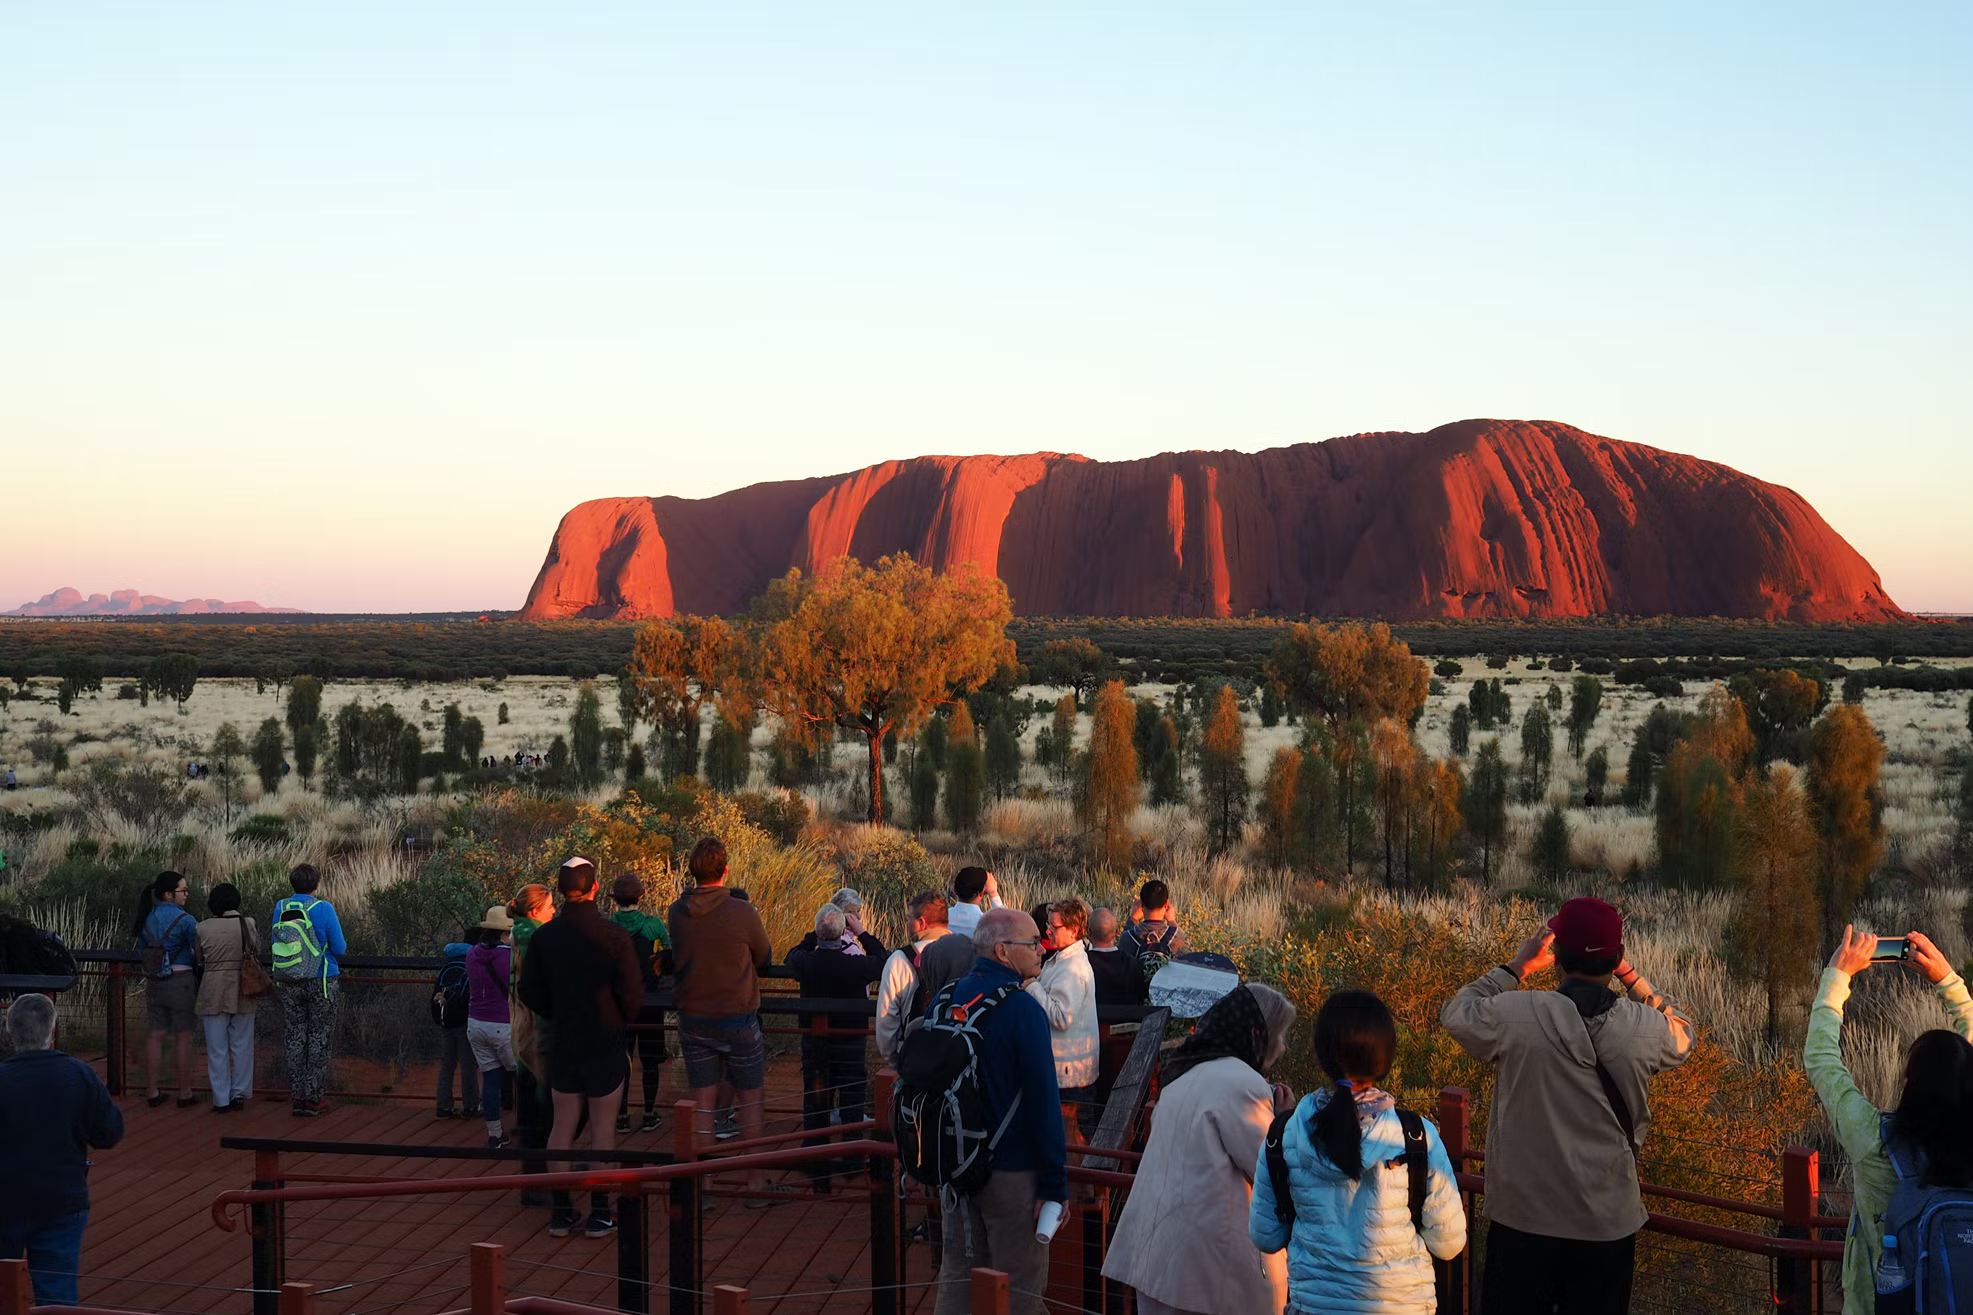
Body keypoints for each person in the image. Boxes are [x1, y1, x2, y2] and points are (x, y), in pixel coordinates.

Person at [1441, 897, 1694, 1314]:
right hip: (1607, 1225)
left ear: (1555, 956)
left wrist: (1517, 967)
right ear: (1617, 958)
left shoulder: (1514, 1016)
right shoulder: (1645, 1029)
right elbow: (1684, 1033)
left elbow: (1456, 1013)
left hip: (1523, 1222)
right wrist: (1631, 976)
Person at [1250, 989, 1466, 1314]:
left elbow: (1267, 1236)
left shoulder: (1285, 1134)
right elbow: (1448, 1244)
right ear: (1386, 1057)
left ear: (1323, 1054)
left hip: (1314, 1306)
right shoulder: (1416, 1137)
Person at [1804, 925, 1972, 1312]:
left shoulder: (1874, 1142)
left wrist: (1838, 975)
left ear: (1910, 1086)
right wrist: (1948, 981)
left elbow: (1822, 1060)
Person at [1105, 982, 1298, 1315]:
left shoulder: (1183, 1076)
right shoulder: (1243, 1085)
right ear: (1257, 1033)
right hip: (1206, 1273)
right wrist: (1284, 1123)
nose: (1281, 1046)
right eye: (1279, 1035)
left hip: (1156, 1261)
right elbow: (1270, 1172)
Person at [932, 907, 1065, 1315]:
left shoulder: (946, 997)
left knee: (957, 1276)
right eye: (1032, 943)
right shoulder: (1024, 1010)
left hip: (954, 1164)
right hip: (1011, 1172)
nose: (1042, 948)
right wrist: (1054, 1186)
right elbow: (1044, 1101)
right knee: (1018, 1287)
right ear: (1004, 952)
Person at [516, 857, 643, 1240]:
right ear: (594, 887)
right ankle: (601, 1213)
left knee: (562, 1125)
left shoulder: (544, 937)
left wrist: (556, 1013)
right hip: (604, 1040)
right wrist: (617, 1018)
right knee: (603, 1128)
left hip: (563, 1040)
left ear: (561, 889)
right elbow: (633, 996)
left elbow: (529, 992)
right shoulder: (614, 937)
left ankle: (562, 1212)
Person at [0, 995, 124, 1307]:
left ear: (10, 1031)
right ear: (52, 1030)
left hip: (6, 1197)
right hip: (61, 1197)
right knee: (57, 1294)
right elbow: (109, 1133)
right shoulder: (78, 1074)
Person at [668, 837, 773, 1185]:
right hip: (738, 1017)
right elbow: (764, 957)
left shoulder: (676, 912)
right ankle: (755, 1182)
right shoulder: (742, 912)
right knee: (751, 1101)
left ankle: (704, 1183)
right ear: (725, 870)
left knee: (703, 1104)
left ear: (692, 871)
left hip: (693, 1017)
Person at [786, 903, 886, 1191]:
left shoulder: (807, 962)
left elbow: (792, 956)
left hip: (815, 1040)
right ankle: (853, 1159)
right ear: (844, 931)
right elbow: (883, 960)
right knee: (852, 1096)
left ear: (819, 935)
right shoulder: (856, 965)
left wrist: (811, 936)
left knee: (816, 1096)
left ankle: (815, 1157)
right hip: (850, 1038)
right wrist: (863, 933)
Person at [272, 864, 347, 1117]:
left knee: (295, 1037)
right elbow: (339, 947)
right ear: (316, 884)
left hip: (289, 980)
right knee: (319, 1037)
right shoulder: (323, 908)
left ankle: (297, 1097)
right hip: (322, 981)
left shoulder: (280, 907)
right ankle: (314, 1099)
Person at [608, 874, 671, 1135]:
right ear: (640, 897)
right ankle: (648, 1113)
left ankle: (621, 1115)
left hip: (618, 1005)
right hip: (651, 1003)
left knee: (621, 1059)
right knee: (650, 1061)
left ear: (616, 901)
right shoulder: (654, 926)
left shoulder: (609, 926)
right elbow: (667, 956)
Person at [1028, 898, 1099, 1128]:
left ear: (1074, 930)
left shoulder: (1072, 967)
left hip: (1069, 1076)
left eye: (1054, 927)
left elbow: (1062, 1017)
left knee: (1072, 1140)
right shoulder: (1064, 959)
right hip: (1067, 1071)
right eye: (1048, 925)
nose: (1047, 931)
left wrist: (1031, 986)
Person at [132, 870, 199, 1108]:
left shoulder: (146, 918)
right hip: (181, 982)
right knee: (183, 1037)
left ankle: (152, 1091)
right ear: (169, 894)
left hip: (154, 982)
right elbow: (199, 951)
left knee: (155, 1036)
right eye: (183, 890)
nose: (186, 894)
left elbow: (142, 951)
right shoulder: (187, 920)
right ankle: (185, 1092)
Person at [508, 884, 556, 1198]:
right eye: (551, 907)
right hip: (538, 1034)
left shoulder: (513, 937)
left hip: (518, 1032)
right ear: (535, 911)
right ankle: (546, 1182)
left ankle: (532, 1183)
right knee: (547, 1110)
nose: (555, 912)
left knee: (527, 1109)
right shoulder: (539, 941)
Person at [194, 882, 259, 1112]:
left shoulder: (202, 927)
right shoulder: (248, 924)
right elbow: (255, 949)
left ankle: (220, 1098)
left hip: (212, 988)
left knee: (216, 1048)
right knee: (242, 1044)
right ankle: (239, 1093)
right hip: (243, 986)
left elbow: (199, 958)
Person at [874, 891, 953, 1067]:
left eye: (909, 918)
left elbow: (886, 1020)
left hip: (915, 1059)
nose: (907, 922)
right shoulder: (969, 952)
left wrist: (896, 1062)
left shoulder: (900, 959)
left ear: (921, 923)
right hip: (958, 1058)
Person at [467, 905, 518, 1150]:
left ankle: (495, 1134)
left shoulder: (472, 954)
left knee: (490, 1079)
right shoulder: (508, 957)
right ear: (505, 933)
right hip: (504, 1024)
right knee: (525, 1079)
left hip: (475, 1023)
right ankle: (527, 1126)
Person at [433, 933, 478, 1120]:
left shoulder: (449, 962)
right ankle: (471, 1106)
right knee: (468, 1064)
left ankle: (443, 1106)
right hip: (464, 1019)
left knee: (447, 1063)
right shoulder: (474, 961)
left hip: (445, 1018)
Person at [1121, 879, 1187, 965]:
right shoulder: (1176, 937)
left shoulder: (1128, 937)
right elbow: (1187, 960)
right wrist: (1172, 921)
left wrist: (1132, 919)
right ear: (1166, 904)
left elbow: (1121, 961)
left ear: (1141, 904)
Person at [946, 865, 1002, 940]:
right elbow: (1005, 928)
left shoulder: (943, 918)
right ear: (982, 892)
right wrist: (994, 893)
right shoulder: (986, 924)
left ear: (955, 890)